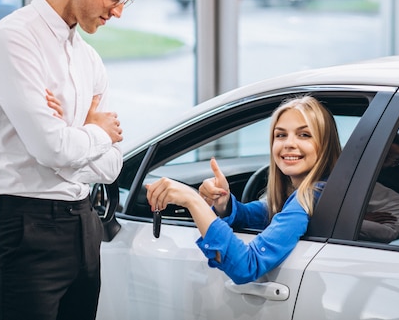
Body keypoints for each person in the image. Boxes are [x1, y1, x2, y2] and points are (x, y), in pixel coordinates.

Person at [0, 0, 151, 320]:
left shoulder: (89, 60)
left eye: (126, 1)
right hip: (25, 228)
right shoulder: (13, 40)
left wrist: (75, 136)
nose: (119, 12)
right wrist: (92, 131)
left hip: (84, 226)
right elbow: (51, 148)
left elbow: (110, 165)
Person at [146, 95, 342, 284]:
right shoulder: (323, 191)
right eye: (281, 135)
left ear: (325, 145)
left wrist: (193, 201)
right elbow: (267, 212)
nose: (289, 143)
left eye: (304, 135)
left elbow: (247, 266)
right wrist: (223, 202)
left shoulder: (307, 199)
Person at [359, 133, 399, 243]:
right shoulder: (324, 168)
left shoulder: (394, 200)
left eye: (387, 156)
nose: (378, 156)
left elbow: (387, 233)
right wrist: (357, 220)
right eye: (377, 150)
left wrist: (356, 221)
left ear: (395, 163)